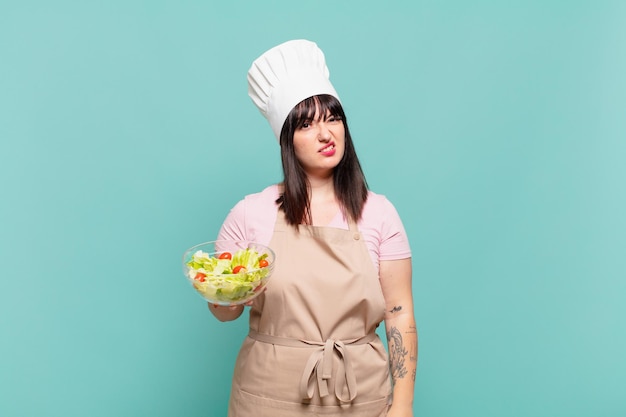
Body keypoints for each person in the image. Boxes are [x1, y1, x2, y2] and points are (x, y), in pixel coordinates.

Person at [209, 40, 417, 417]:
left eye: (333, 118)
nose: (326, 134)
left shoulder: (380, 213)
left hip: (359, 395)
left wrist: (402, 406)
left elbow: (399, 314)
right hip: (266, 398)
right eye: (307, 124)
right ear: (287, 139)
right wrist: (223, 290)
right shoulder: (250, 213)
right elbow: (225, 313)